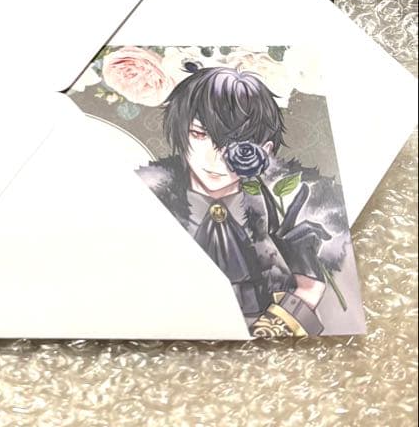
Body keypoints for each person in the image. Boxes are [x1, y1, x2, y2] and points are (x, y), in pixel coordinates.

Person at [136, 65, 357, 336]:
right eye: (199, 134)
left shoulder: (295, 217)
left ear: (265, 151)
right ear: (181, 134)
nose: (215, 158)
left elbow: (286, 336)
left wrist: (306, 292)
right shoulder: (143, 202)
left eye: (237, 143)